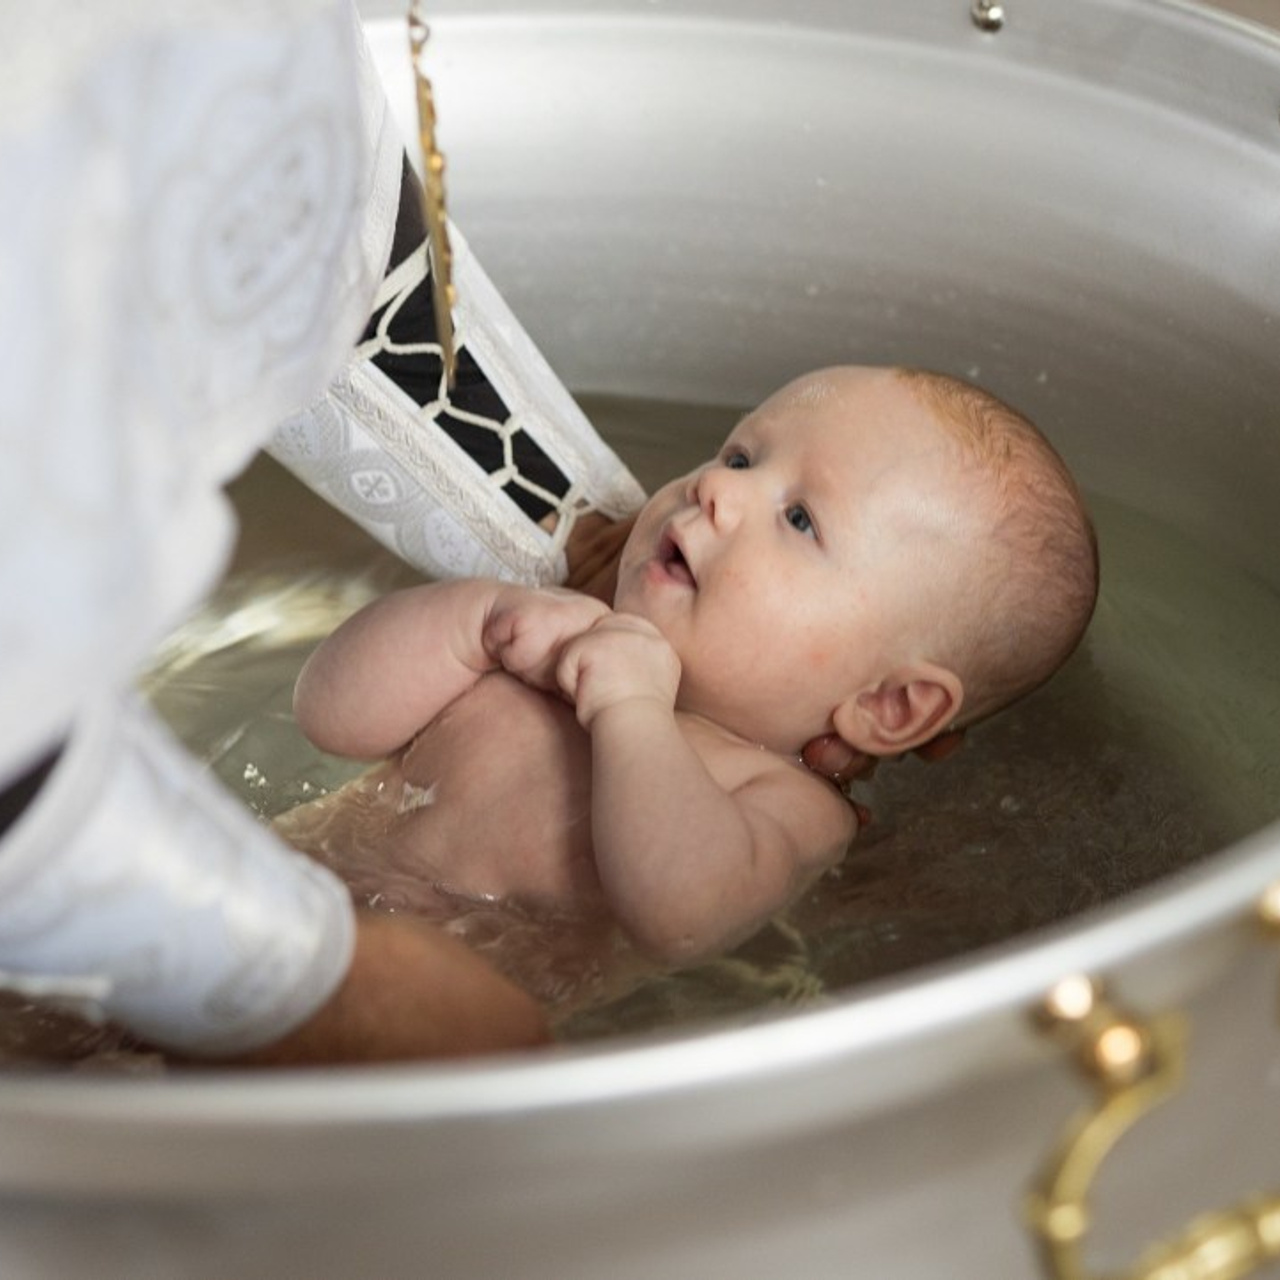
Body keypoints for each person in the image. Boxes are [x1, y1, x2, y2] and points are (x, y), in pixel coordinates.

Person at [275, 365, 1098, 995]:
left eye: (800, 518)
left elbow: (682, 915)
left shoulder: (783, 803)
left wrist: (631, 708)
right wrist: (474, 622)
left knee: (479, 1030)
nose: (715, 487)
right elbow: (331, 715)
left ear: (888, 705)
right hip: (240, 905)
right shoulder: (547, 641)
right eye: (740, 455)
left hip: (408, 1019)